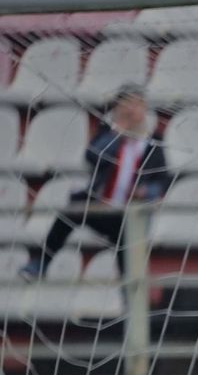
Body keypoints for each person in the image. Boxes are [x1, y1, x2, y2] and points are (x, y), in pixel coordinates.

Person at [19, 84, 170, 281]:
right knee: (71, 210)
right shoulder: (107, 134)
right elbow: (92, 157)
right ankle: (41, 263)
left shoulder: (153, 143)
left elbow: (163, 180)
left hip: (130, 214)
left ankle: (130, 301)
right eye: (127, 104)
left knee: (127, 255)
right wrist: (118, 133)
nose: (132, 111)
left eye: (138, 104)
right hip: (101, 206)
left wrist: (146, 191)